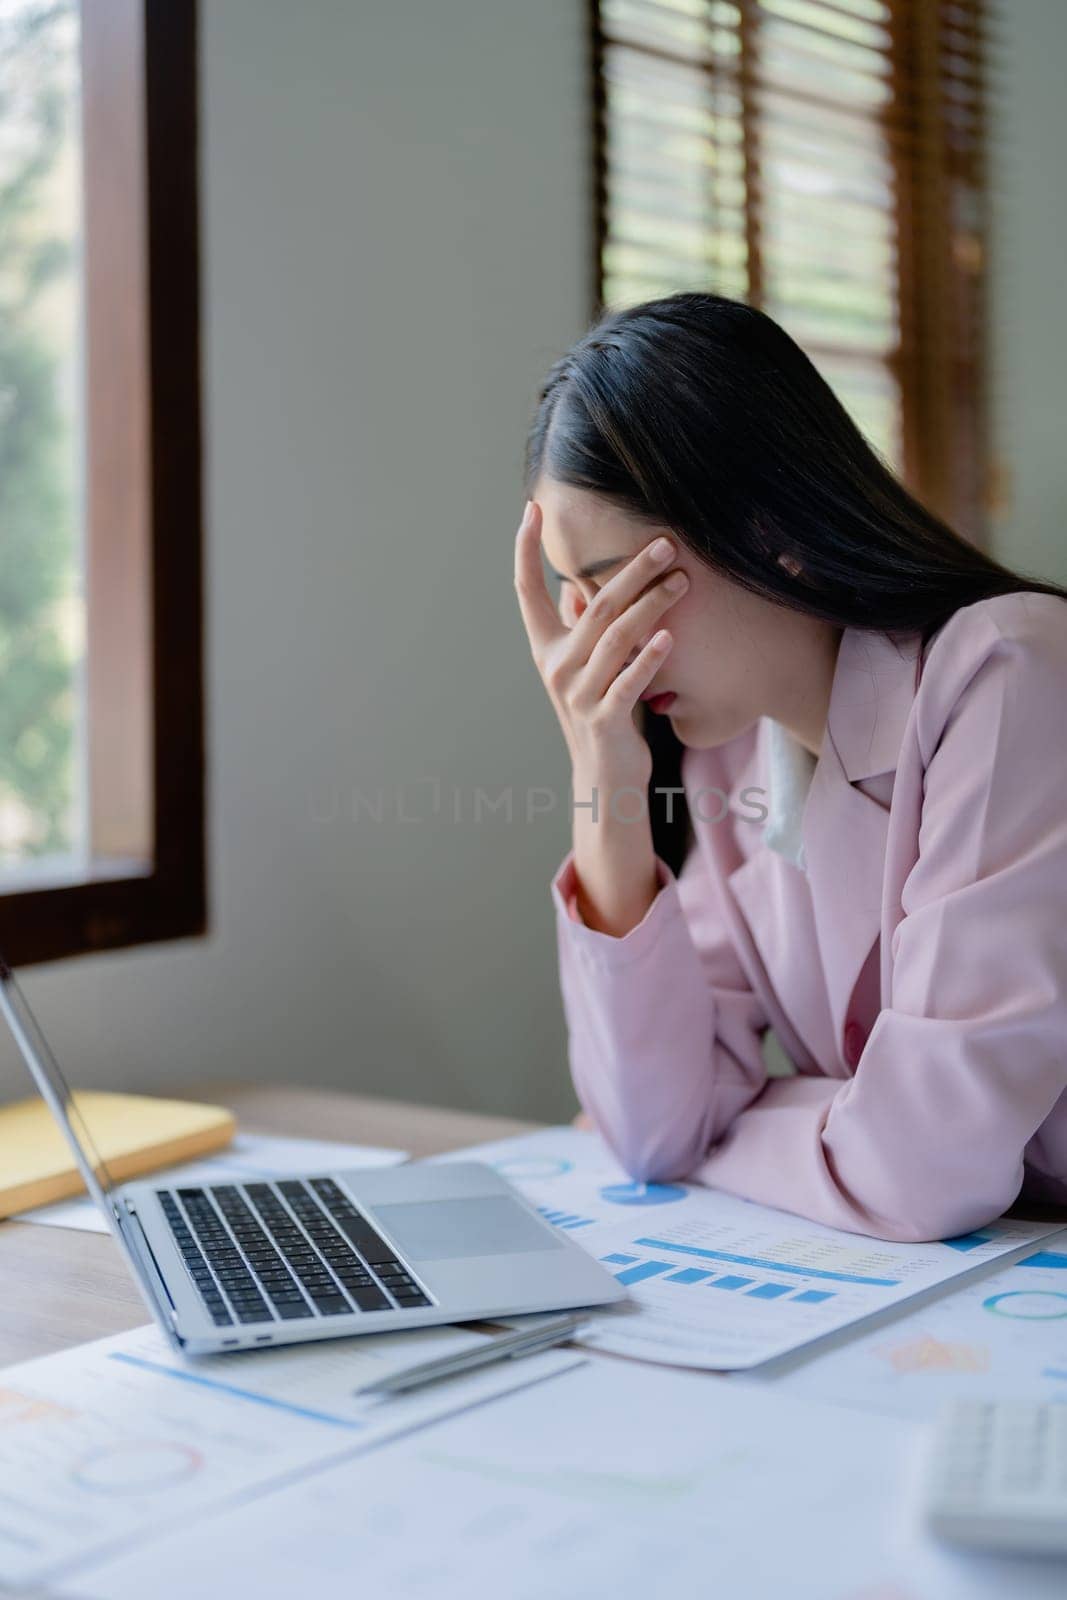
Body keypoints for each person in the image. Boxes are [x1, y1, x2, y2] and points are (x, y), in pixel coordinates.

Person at [513, 290, 1067, 1243]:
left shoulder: (1006, 671)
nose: (590, 648)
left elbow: (918, 1169)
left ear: (768, 527)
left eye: (611, 587)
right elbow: (648, 1130)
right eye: (572, 600)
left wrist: (723, 1134)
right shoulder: (730, 756)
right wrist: (601, 786)